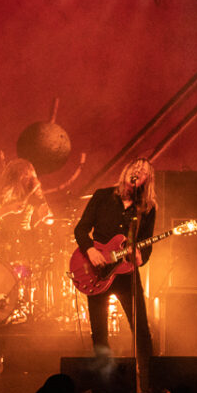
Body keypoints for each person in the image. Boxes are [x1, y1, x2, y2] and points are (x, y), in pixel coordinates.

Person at [72, 158, 157, 371]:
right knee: (99, 331)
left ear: (146, 180)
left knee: (141, 329)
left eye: (143, 171)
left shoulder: (146, 208)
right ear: (126, 171)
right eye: (135, 167)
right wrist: (90, 250)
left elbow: (146, 244)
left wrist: (139, 256)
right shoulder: (102, 196)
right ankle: (104, 378)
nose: (138, 171)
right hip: (98, 271)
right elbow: (81, 229)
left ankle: (147, 378)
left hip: (126, 274)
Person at [0, 157, 52, 256]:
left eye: (29, 176)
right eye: (24, 176)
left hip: (23, 241)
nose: (27, 179)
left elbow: (44, 211)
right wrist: (9, 209)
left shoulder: (33, 191)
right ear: (13, 177)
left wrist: (46, 216)